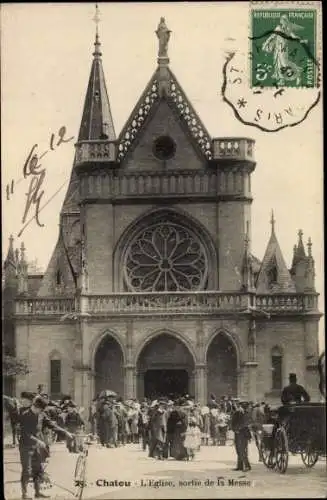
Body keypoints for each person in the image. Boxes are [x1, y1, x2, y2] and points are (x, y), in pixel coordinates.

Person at [18, 395, 73, 499]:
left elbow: (52, 425)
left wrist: (65, 432)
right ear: (35, 406)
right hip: (26, 447)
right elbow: (25, 434)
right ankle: (24, 494)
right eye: (40, 409)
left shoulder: (41, 414)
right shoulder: (25, 415)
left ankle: (37, 493)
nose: (41, 411)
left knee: (38, 470)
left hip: (37, 447)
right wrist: (38, 441)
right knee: (27, 470)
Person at [231, 401, 252, 472]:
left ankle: (247, 466)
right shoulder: (240, 412)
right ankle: (240, 466)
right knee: (239, 450)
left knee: (242, 450)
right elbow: (233, 422)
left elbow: (246, 422)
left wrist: (237, 429)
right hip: (239, 432)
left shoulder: (243, 412)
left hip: (242, 433)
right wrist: (235, 429)